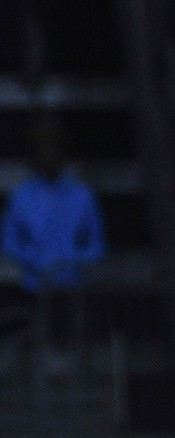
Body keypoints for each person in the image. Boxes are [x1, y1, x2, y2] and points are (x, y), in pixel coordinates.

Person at [0, 115, 106, 343]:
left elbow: (97, 245)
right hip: (33, 291)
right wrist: (37, 260)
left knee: (75, 346)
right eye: (43, 147)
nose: (49, 153)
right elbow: (8, 241)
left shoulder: (82, 195)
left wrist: (68, 259)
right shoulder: (22, 196)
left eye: (54, 146)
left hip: (74, 291)